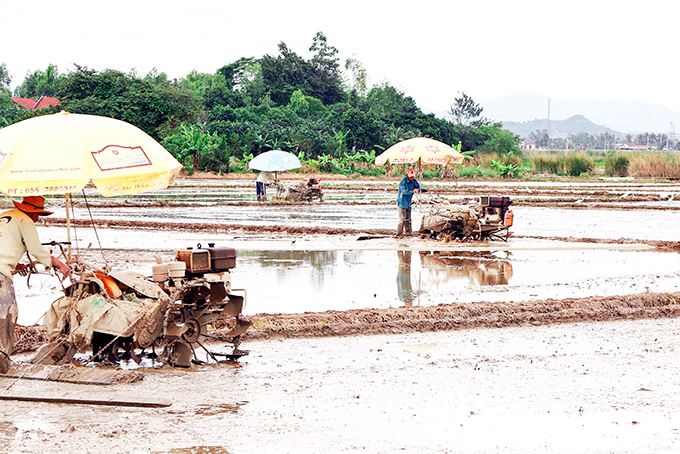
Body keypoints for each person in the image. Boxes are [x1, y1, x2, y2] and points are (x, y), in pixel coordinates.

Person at [0, 196, 69, 373]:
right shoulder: (25, 220)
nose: (38, 218)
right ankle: (2, 359)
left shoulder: (6, 217)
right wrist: (59, 264)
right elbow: (36, 248)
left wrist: (16, 264)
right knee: (8, 313)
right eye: (38, 214)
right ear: (31, 211)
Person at [396, 167, 423, 236]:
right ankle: (399, 234)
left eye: (413, 177)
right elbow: (404, 191)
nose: (412, 178)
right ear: (407, 175)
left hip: (408, 203)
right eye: (411, 177)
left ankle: (409, 234)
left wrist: (425, 189)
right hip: (402, 202)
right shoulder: (403, 181)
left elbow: (418, 188)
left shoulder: (414, 181)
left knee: (408, 219)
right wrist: (412, 191)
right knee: (402, 219)